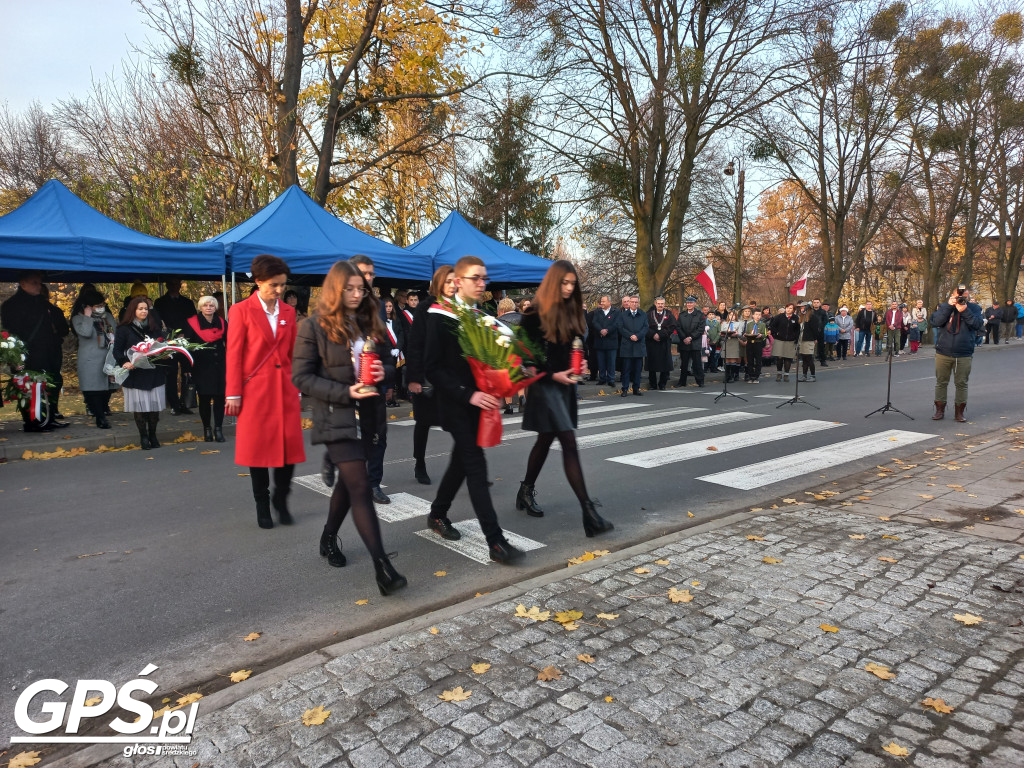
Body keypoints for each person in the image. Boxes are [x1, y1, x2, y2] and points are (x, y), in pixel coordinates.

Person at [292, 261, 407, 596]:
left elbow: (387, 358)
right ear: (335, 290)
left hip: (369, 412)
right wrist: (345, 392)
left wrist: (385, 371)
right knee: (360, 486)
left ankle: (329, 536)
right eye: (350, 289)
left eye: (362, 289)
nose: (357, 295)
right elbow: (301, 378)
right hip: (335, 415)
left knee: (349, 482)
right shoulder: (313, 326)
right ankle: (382, 567)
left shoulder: (370, 319)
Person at [423, 255, 524, 563]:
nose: (483, 284)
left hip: (479, 400)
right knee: (475, 466)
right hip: (456, 403)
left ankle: (437, 514)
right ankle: (495, 542)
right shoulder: (439, 315)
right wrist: (468, 394)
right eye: (476, 278)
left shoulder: (481, 315)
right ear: (459, 282)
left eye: (485, 279)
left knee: (461, 462)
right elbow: (432, 367)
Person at [514, 260, 615, 536]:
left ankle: (525, 490)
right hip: (546, 387)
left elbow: (575, 349)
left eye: (573, 283)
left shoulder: (572, 312)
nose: (569, 288)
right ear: (553, 282)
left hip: (565, 386)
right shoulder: (533, 313)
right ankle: (588, 512)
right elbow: (526, 359)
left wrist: (582, 365)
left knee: (545, 440)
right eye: (564, 283)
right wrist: (553, 374)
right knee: (568, 442)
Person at [225, 255, 306, 529]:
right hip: (255, 391)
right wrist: (232, 393)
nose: (280, 291)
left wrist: (297, 387)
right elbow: (234, 354)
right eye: (274, 285)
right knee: (258, 451)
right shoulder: (240, 311)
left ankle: (281, 498)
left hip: (285, 390)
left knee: (289, 450)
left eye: (283, 285)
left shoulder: (288, 312)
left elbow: (294, 354)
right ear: (258, 282)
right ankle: (262, 502)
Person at [1, 271, 70, 430]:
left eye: (40, 283)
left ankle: (49, 418)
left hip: (48, 353)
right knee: (28, 387)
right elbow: (12, 332)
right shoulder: (11, 305)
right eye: (35, 283)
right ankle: (32, 422)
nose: (39, 286)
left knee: (49, 386)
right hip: (27, 356)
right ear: (23, 283)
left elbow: (59, 325)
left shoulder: (42, 303)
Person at [405, 267, 456, 484]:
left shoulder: (458, 307)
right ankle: (420, 463)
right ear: (439, 284)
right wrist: (414, 378)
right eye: (448, 281)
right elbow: (415, 345)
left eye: (455, 281)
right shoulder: (425, 308)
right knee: (424, 423)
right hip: (427, 376)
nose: (453, 285)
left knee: (457, 423)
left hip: (450, 376)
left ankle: (467, 465)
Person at [114, 297, 167, 449]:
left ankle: (153, 435)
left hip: (154, 372)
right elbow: (117, 351)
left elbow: (160, 346)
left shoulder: (154, 327)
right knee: (140, 408)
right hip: (136, 373)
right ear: (133, 311)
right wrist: (124, 362)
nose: (144, 311)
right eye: (140, 309)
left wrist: (165, 352)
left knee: (153, 407)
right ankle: (143, 437)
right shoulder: (124, 329)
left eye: (146, 309)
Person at [931, 287, 983, 422]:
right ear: (952, 295)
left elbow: (977, 324)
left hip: (964, 351)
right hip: (944, 351)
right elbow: (936, 322)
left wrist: (965, 310)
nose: (961, 298)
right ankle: (939, 411)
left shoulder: (974, 308)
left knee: (961, 383)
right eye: (958, 296)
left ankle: (959, 413)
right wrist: (949, 307)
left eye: (964, 296)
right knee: (941, 382)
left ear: (968, 296)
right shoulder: (944, 306)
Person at [71, 287, 117, 429]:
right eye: (98, 306)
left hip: (107, 356)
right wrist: (87, 316)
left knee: (107, 388)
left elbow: (116, 332)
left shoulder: (107, 317)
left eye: (102, 305)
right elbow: (84, 332)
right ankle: (99, 417)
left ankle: (103, 409)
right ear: (88, 307)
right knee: (94, 389)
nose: (101, 308)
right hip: (90, 359)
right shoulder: (78, 318)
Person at [184, 295, 228, 442]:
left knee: (220, 398)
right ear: (200, 307)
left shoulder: (222, 322)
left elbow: (229, 342)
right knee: (204, 398)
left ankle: (218, 429)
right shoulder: (192, 323)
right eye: (205, 305)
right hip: (201, 366)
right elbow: (186, 347)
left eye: (211, 305)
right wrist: (187, 367)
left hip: (220, 366)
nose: (208, 308)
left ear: (216, 307)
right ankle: (207, 429)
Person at [154, 278, 197, 415]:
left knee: (187, 373)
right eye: (171, 284)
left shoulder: (187, 302)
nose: (174, 287)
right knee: (171, 374)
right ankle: (174, 404)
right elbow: (158, 322)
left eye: (176, 284)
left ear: (180, 286)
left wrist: (186, 335)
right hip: (169, 342)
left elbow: (193, 321)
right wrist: (169, 336)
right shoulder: (160, 302)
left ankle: (185, 402)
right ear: (167, 285)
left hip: (185, 341)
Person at [496, 297, 523, 414]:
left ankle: (509, 405)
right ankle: (523, 399)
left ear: (501, 310)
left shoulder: (498, 322)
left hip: (506, 354)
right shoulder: (523, 318)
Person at [618, 295, 648, 396]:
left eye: (636, 302)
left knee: (638, 370)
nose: (634, 304)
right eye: (632, 302)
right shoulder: (623, 315)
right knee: (626, 369)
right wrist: (630, 335)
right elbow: (620, 328)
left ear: (638, 303)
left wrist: (638, 336)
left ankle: (636, 388)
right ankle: (625, 389)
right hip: (627, 345)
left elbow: (645, 328)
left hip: (639, 345)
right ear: (629, 303)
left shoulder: (643, 314)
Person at [645, 296, 676, 390]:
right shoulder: (649, 314)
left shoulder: (669, 315)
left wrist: (661, 335)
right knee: (652, 363)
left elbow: (672, 327)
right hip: (652, 342)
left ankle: (662, 384)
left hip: (664, 342)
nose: (660, 305)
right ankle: (653, 384)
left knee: (665, 364)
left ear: (664, 304)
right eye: (658, 303)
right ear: (655, 304)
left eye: (662, 303)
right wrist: (653, 335)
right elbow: (645, 326)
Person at [675, 295, 705, 387]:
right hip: (684, 342)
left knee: (697, 363)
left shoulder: (700, 315)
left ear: (695, 304)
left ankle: (700, 381)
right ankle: (682, 382)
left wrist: (690, 338)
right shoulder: (682, 315)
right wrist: (684, 338)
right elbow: (678, 327)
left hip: (695, 343)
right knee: (684, 364)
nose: (689, 304)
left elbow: (700, 329)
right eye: (688, 303)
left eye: (691, 303)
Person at [590, 295, 620, 386]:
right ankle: (602, 378)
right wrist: (601, 330)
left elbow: (617, 323)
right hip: (600, 340)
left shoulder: (616, 311)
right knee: (601, 361)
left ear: (609, 302)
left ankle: (611, 379)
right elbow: (594, 322)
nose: (601, 303)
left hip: (611, 341)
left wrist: (607, 330)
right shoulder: (597, 312)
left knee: (611, 361)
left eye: (603, 301)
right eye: (601, 301)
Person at [769, 303, 799, 381]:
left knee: (788, 358)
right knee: (779, 357)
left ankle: (786, 374)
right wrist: (775, 335)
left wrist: (795, 338)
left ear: (793, 310)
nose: (789, 310)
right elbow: (773, 326)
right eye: (787, 308)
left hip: (790, 341)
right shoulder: (779, 317)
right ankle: (779, 373)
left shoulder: (795, 318)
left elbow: (797, 330)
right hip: (780, 340)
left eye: (791, 308)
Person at [382, 298, 403, 408]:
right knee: (385, 375)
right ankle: (385, 398)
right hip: (385, 352)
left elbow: (400, 334)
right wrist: (388, 349)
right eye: (386, 306)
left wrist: (398, 348)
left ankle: (390, 398)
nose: (388, 309)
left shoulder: (396, 319)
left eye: (390, 306)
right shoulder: (379, 320)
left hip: (395, 352)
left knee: (392, 375)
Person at [742, 309, 767, 384]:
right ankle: (750, 375)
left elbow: (764, 334)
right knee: (750, 360)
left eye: (759, 315)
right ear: (753, 315)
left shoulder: (763, 324)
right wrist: (745, 335)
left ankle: (756, 376)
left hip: (758, 343)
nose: (758, 316)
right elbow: (746, 333)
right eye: (756, 314)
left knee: (758, 360)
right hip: (750, 343)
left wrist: (761, 335)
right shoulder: (749, 324)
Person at [797, 302, 820, 382]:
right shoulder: (801, 317)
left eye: (804, 307)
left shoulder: (812, 317)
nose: (802, 309)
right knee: (804, 358)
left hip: (808, 339)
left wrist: (815, 338)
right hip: (801, 339)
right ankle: (804, 374)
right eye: (801, 308)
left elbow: (815, 330)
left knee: (809, 358)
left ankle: (813, 375)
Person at [720, 308, 742, 382]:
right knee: (727, 359)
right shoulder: (724, 323)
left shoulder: (738, 323)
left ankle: (732, 375)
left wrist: (736, 334)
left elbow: (740, 333)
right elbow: (721, 332)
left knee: (732, 359)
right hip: (726, 341)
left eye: (733, 315)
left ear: (735, 316)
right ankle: (727, 376)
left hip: (734, 341)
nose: (731, 316)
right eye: (730, 315)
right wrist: (722, 334)